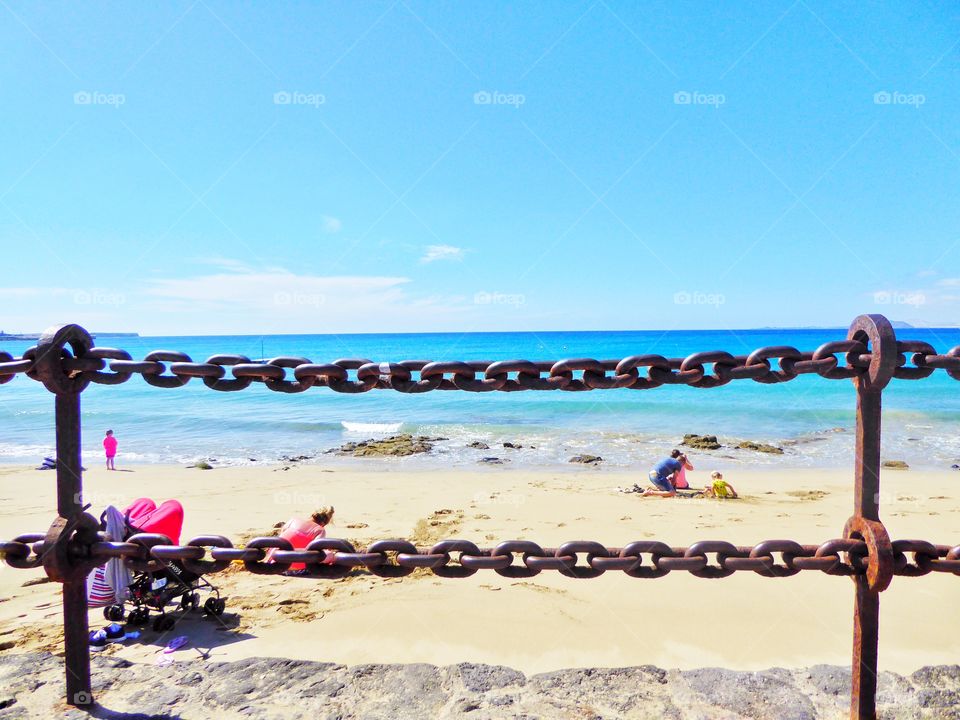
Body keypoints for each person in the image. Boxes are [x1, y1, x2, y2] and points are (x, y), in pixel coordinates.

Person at [266, 506, 336, 571]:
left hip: (275, 559)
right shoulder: (320, 530)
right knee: (329, 555)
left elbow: (281, 538)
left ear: (312, 515)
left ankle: (270, 560)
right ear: (324, 524)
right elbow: (316, 550)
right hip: (295, 567)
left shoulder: (293, 520)